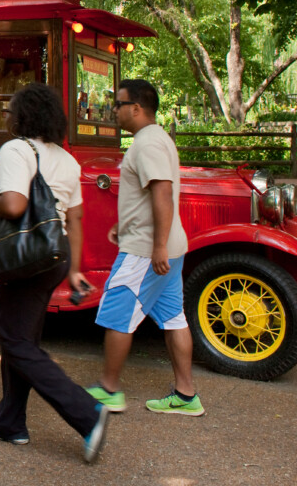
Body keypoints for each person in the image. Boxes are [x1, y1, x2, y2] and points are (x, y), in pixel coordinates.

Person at [0, 83, 109, 463]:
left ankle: (87, 414)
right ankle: (10, 422)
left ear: (22, 116)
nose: (7, 116)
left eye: (10, 110)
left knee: (15, 341)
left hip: (24, 256)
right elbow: (75, 219)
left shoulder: (16, 150)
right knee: (22, 338)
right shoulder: (68, 160)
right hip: (54, 255)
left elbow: (14, 205)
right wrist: (74, 270)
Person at [87, 78, 203, 417]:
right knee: (173, 318)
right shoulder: (156, 138)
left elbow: (162, 193)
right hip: (163, 245)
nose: (114, 111)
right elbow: (145, 196)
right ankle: (186, 395)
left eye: (118, 104)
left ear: (136, 108)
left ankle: (109, 390)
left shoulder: (148, 143)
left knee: (117, 313)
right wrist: (123, 225)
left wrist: (158, 247)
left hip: (146, 250)